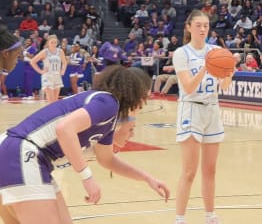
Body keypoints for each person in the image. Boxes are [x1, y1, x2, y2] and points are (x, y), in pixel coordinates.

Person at [0, 66, 170, 224]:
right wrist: (86, 177)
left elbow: (107, 159)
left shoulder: (107, 116)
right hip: (21, 153)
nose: (145, 102)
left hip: (20, 155)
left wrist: (147, 178)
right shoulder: (108, 102)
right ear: (136, 93)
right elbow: (64, 129)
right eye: (145, 96)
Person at [173, 10, 234, 224]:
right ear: (189, 27)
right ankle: (180, 219)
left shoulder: (217, 51)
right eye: (198, 25)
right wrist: (206, 68)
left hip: (212, 108)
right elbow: (188, 87)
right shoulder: (182, 53)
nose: (202, 29)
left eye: (206, 26)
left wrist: (228, 73)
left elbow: (225, 85)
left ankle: (210, 216)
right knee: (189, 171)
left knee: (210, 169)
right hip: (191, 109)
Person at [29, 35, 67, 103]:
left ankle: (55, 113)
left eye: (55, 42)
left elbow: (64, 62)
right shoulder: (45, 52)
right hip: (47, 76)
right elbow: (32, 61)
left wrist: (63, 70)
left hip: (57, 76)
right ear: (48, 43)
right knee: (51, 101)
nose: (54, 44)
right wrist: (40, 71)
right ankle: (50, 113)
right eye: (52, 42)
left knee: (55, 101)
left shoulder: (60, 51)